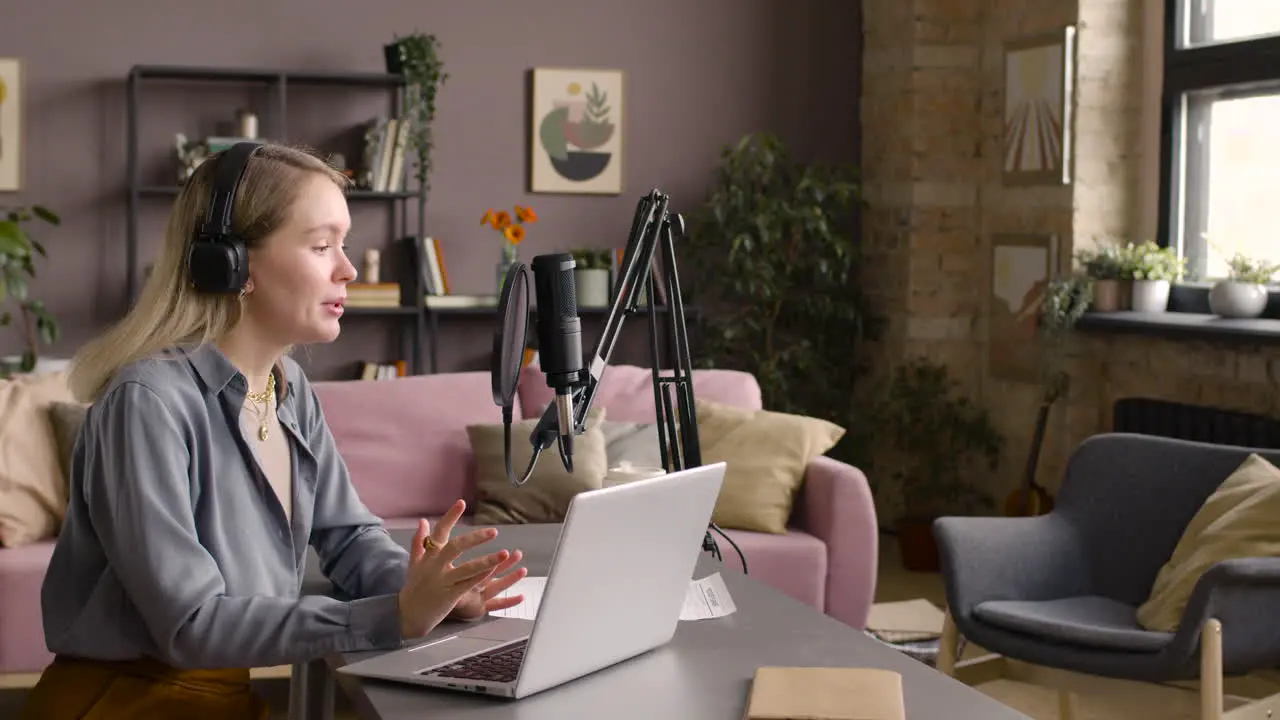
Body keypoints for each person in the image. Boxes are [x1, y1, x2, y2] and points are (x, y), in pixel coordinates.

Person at [20, 143, 527, 719]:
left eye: (345, 244)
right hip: (123, 703)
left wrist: (431, 590)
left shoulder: (290, 389)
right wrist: (394, 616)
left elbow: (349, 536)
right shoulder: (146, 405)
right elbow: (191, 624)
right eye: (321, 246)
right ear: (233, 263)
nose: (349, 269)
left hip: (219, 696)